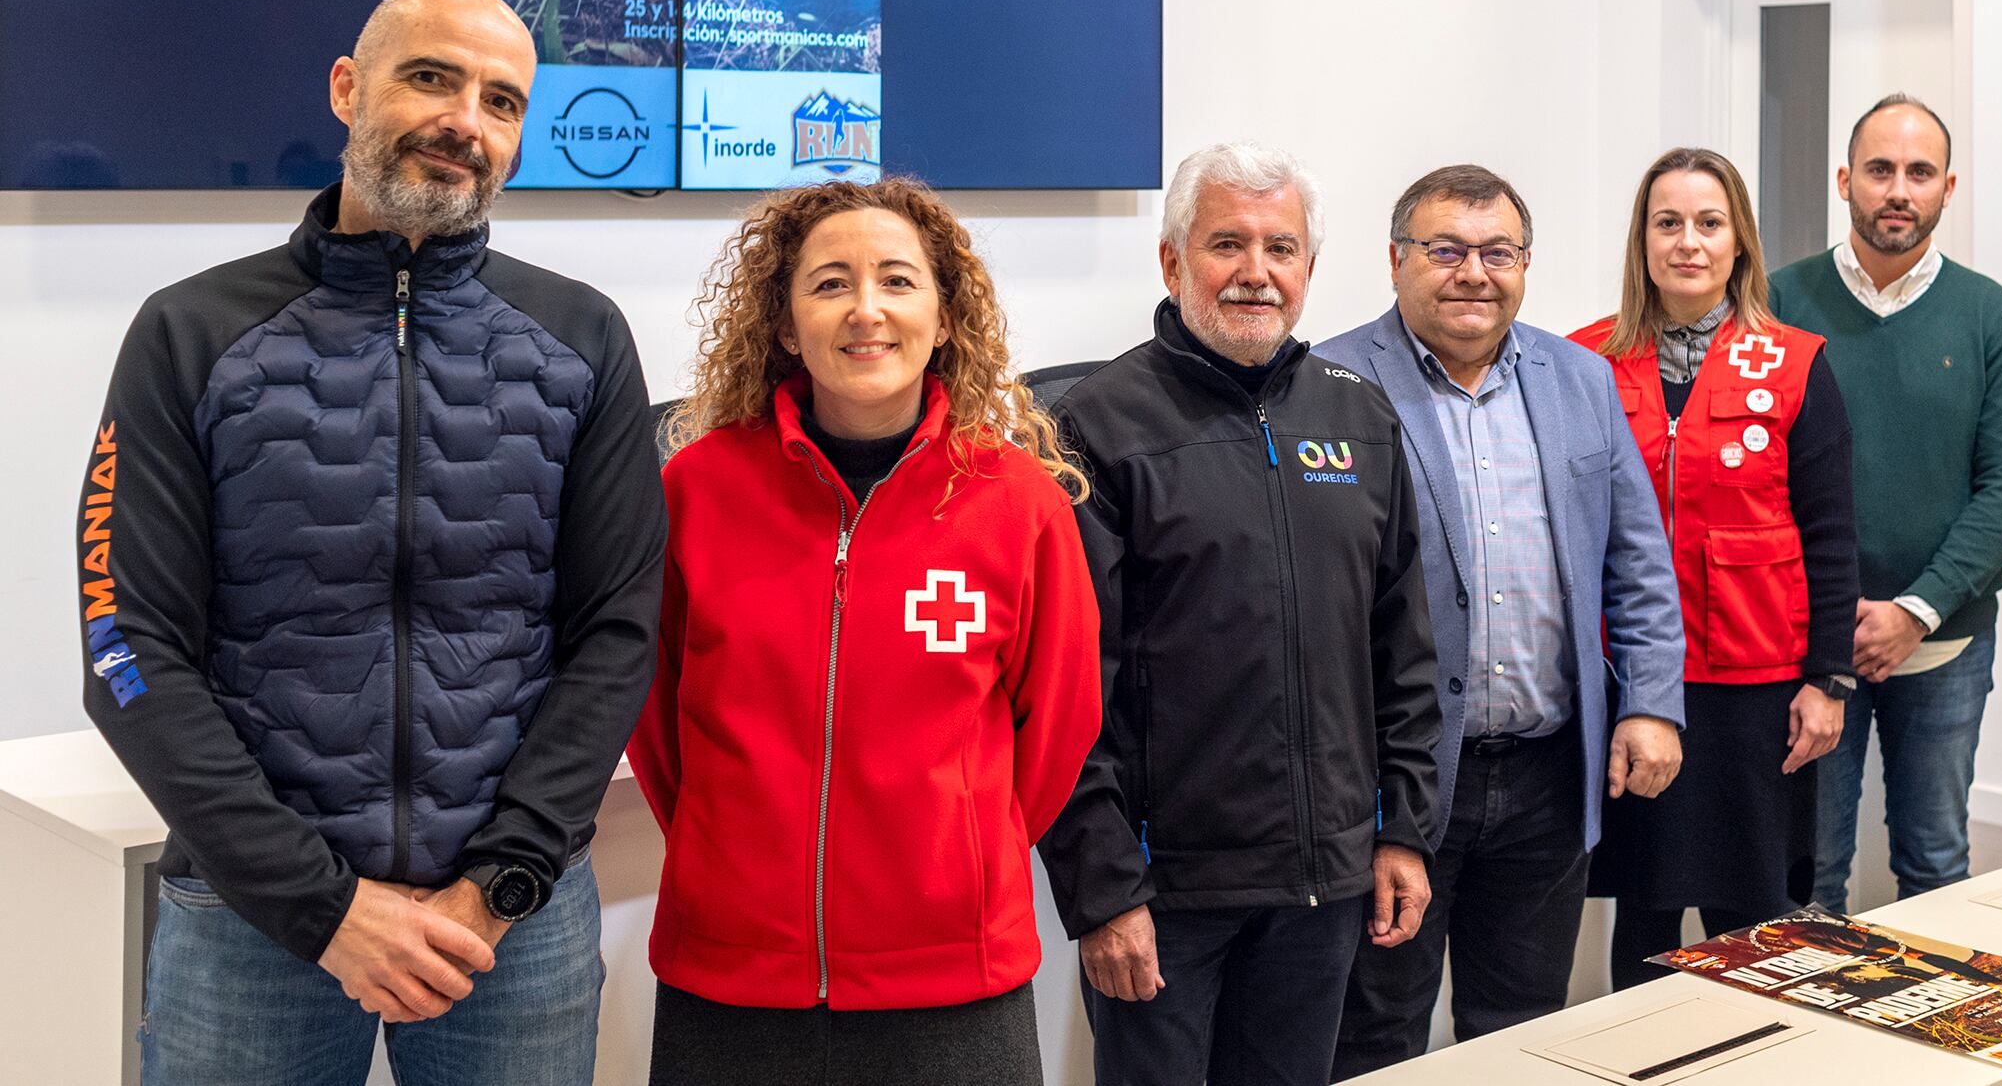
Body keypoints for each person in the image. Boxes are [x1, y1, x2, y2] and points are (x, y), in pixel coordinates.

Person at [78, 0, 666, 1084]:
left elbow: (618, 634)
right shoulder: (191, 332)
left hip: (510, 928)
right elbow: (125, 645)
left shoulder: (580, 338)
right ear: (349, 89)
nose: (465, 122)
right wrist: (325, 909)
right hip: (252, 921)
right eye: (431, 77)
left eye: (502, 100)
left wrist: (499, 887)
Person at [630, 178, 1102, 1085]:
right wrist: (729, 850)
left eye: (897, 279)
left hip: (954, 985)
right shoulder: (694, 488)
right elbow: (651, 713)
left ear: (946, 314)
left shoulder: (1018, 501)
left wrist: (957, 855)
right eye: (830, 282)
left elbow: (1059, 722)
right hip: (728, 979)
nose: (866, 310)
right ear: (782, 321)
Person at [1039, 141, 1442, 1086]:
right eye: (1227, 243)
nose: (1256, 272)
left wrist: (1402, 831)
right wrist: (1102, 892)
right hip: (1165, 894)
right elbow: (1063, 689)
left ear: (1309, 268)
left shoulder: (1359, 417)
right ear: (1174, 261)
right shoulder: (1094, 425)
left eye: (1281, 247)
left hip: (1326, 887)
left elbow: (1405, 652)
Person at [1318, 165, 1687, 1076]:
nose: (1472, 272)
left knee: (1523, 1029)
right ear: (1396, 260)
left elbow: (1637, 558)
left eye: (1497, 252)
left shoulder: (1581, 379)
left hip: (1546, 777)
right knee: (1376, 1035)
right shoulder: (1327, 384)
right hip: (1393, 786)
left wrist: (1649, 699)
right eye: (1444, 250)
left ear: (1526, 264)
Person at [1569, 147, 1859, 990]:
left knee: (1755, 915)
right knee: (1648, 911)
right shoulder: (1582, 363)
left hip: (1758, 685)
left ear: (1740, 243)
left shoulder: (1799, 363)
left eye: (1709, 222)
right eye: (1668, 222)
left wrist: (1827, 680)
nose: (1688, 242)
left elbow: (1833, 534)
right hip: (1636, 682)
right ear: (1643, 240)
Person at [1768, 96, 2002, 913]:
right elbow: (1758, 479)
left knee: (1935, 861)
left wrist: (1915, 609)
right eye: (1880, 169)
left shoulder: (1991, 314)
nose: (1898, 189)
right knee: (1808, 871)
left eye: (1919, 172)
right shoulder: (1779, 302)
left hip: (1944, 640)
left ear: (1947, 187)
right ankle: (1808, 1040)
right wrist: (1831, 620)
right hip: (1813, 646)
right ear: (1845, 179)